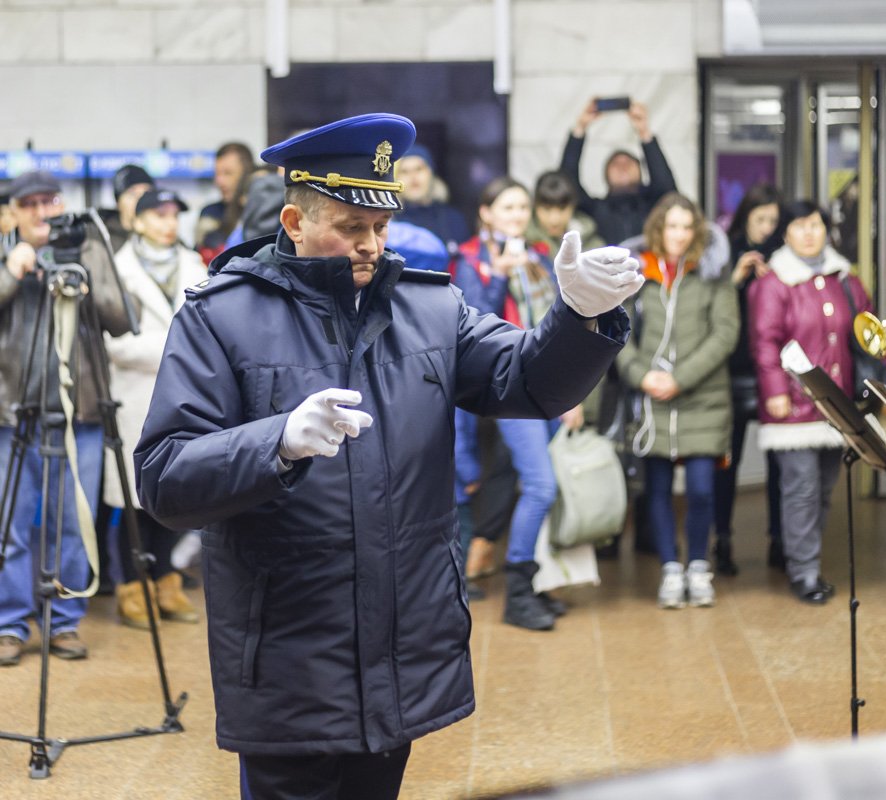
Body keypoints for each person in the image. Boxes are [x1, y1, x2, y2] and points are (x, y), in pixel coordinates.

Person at [133, 113, 640, 798]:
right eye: (350, 227)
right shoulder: (221, 316)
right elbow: (165, 476)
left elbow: (526, 380)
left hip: (400, 651)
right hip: (289, 657)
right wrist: (273, 443)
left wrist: (577, 319)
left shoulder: (429, 309)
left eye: (380, 226)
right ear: (294, 220)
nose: (371, 244)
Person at [0, 171, 136, 666]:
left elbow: (123, 319)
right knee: (8, 526)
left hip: (80, 414)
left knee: (71, 522)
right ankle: (9, 625)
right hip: (11, 416)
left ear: (62, 205)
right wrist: (13, 271)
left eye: (49, 201)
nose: (41, 212)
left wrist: (83, 274)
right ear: (13, 212)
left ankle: (63, 623)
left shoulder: (90, 249)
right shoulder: (4, 252)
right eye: (29, 204)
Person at [452, 176, 580, 631]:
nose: (518, 216)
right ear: (486, 213)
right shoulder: (470, 260)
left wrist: (571, 389)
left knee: (540, 487)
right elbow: (468, 328)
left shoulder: (541, 258)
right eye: (507, 208)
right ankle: (519, 592)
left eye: (522, 208)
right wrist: (500, 274)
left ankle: (534, 584)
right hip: (508, 389)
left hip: (545, 385)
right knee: (541, 487)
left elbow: (558, 324)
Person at [749, 200, 877, 605]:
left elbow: (866, 330)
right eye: (800, 226)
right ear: (785, 233)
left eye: (816, 225)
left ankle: (801, 557)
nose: (809, 233)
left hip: (836, 404)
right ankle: (804, 571)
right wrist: (775, 394)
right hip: (794, 405)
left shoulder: (844, 278)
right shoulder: (773, 282)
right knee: (801, 488)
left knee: (823, 488)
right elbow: (765, 343)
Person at [617, 192, 737, 609]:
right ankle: (671, 568)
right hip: (652, 399)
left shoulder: (713, 272)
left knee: (702, 489)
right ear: (658, 228)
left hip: (702, 397)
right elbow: (618, 332)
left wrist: (680, 379)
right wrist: (641, 374)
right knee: (658, 489)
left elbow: (725, 333)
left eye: (687, 227)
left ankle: (699, 566)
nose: (679, 235)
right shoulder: (637, 272)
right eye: (672, 226)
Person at [105, 188, 207, 629]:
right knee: (133, 502)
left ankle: (167, 582)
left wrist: (180, 350)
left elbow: (209, 326)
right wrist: (178, 347)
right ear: (138, 221)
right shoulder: (118, 269)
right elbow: (119, 344)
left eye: (174, 214)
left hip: (181, 397)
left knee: (171, 494)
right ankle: (132, 588)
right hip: (134, 395)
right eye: (159, 214)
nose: (169, 223)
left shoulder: (194, 264)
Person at [713, 183, 787, 576]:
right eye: (760, 219)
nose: (766, 228)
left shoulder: (783, 256)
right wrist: (737, 279)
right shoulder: (724, 249)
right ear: (745, 218)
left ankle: (779, 540)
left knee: (779, 459)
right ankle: (721, 540)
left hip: (771, 372)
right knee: (728, 460)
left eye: (773, 221)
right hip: (732, 370)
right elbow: (711, 308)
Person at [560, 98, 677, 245]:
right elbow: (566, 184)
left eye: (628, 162)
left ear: (641, 172)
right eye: (615, 164)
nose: (622, 167)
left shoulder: (654, 206)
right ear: (606, 177)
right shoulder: (596, 210)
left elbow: (666, 186)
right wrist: (580, 127)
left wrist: (644, 132)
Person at [394, 143, 471, 251]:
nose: (413, 177)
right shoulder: (389, 222)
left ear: (431, 173)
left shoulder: (453, 220)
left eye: (419, 169)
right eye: (404, 172)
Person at [195, 141, 254, 263]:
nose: (219, 181)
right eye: (217, 174)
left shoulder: (261, 213)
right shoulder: (210, 213)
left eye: (228, 173)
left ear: (247, 174)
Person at [525, 171, 603, 261]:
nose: (554, 220)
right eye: (547, 209)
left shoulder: (593, 246)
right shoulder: (522, 240)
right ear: (535, 206)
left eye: (562, 209)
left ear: (573, 206)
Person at [98, 164, 156, 254]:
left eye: (147, 193)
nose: (140, 199)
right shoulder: (100, 238)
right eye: (132, 194)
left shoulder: (162, 237)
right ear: (118, 202)